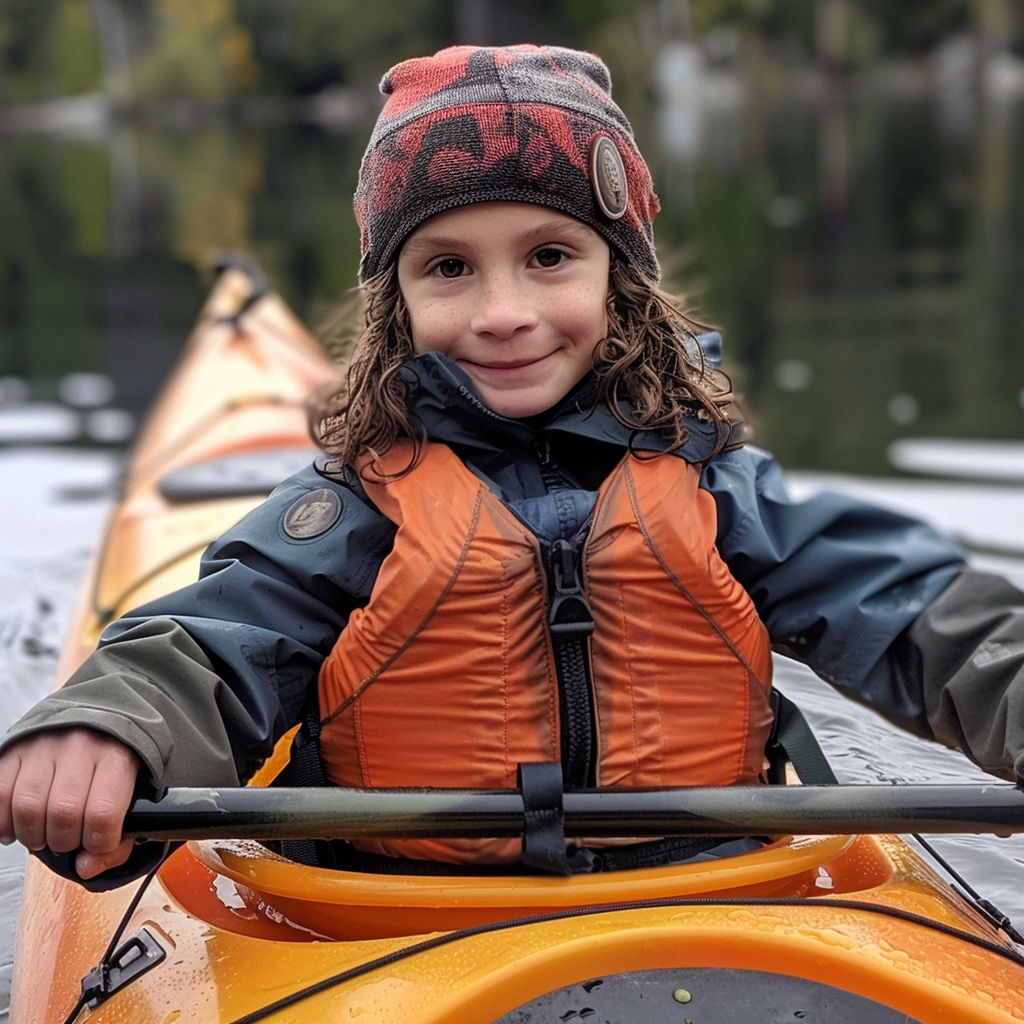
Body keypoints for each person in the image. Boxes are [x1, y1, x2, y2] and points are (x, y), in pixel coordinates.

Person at [1, 43, 1022, 887]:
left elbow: (914, 613)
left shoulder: (714, 490)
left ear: (618, 278)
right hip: (405, 920)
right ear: (394, 303)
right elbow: (216, 642)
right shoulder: (352, 511)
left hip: (706, 895)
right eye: (448, 267)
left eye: (549, 256)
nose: (503, 314)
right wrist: (109, 726)